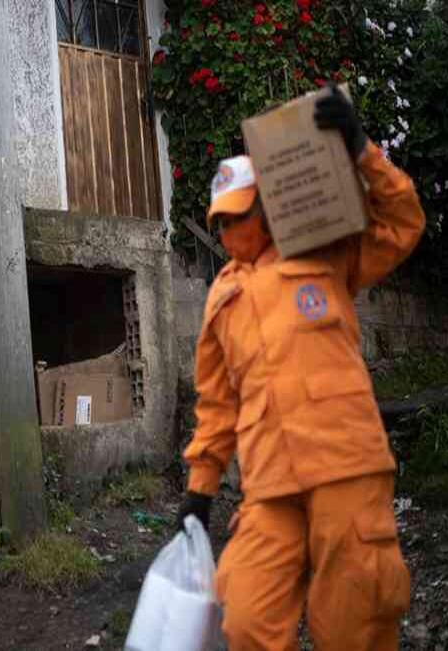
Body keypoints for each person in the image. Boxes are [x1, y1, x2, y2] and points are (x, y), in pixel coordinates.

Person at [176, 84, 426, 650]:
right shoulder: (221, 298)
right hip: (268, 484)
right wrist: (199, 490)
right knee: (242, 618)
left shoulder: (325, 254)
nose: (228, 231)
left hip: (345, 466)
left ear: (268, 206)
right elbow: (217, 406)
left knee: (355, 622)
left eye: (239, 215)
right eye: (220, 221)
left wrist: (362, 150)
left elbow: (404, 223)